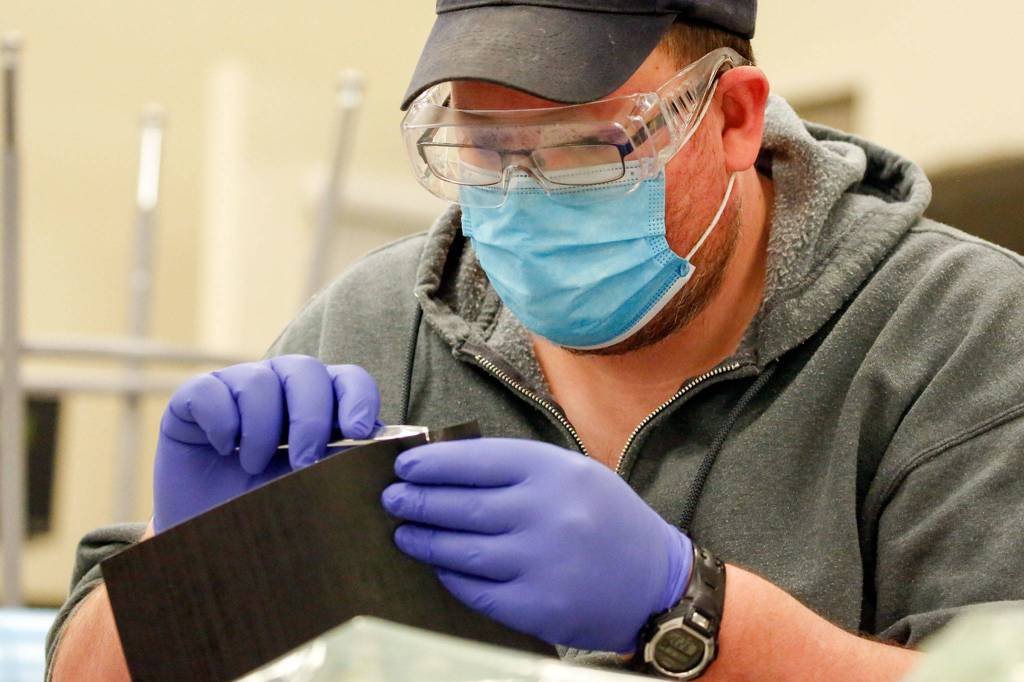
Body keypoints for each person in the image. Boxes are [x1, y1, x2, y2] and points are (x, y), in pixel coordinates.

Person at [46, 1, 1024, 680]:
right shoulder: (379, 324)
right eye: (483, 148)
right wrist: (193, 572)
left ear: (732, 118)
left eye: (588, 147)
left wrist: (696, 614)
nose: (521, 196)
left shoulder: (956, 337)